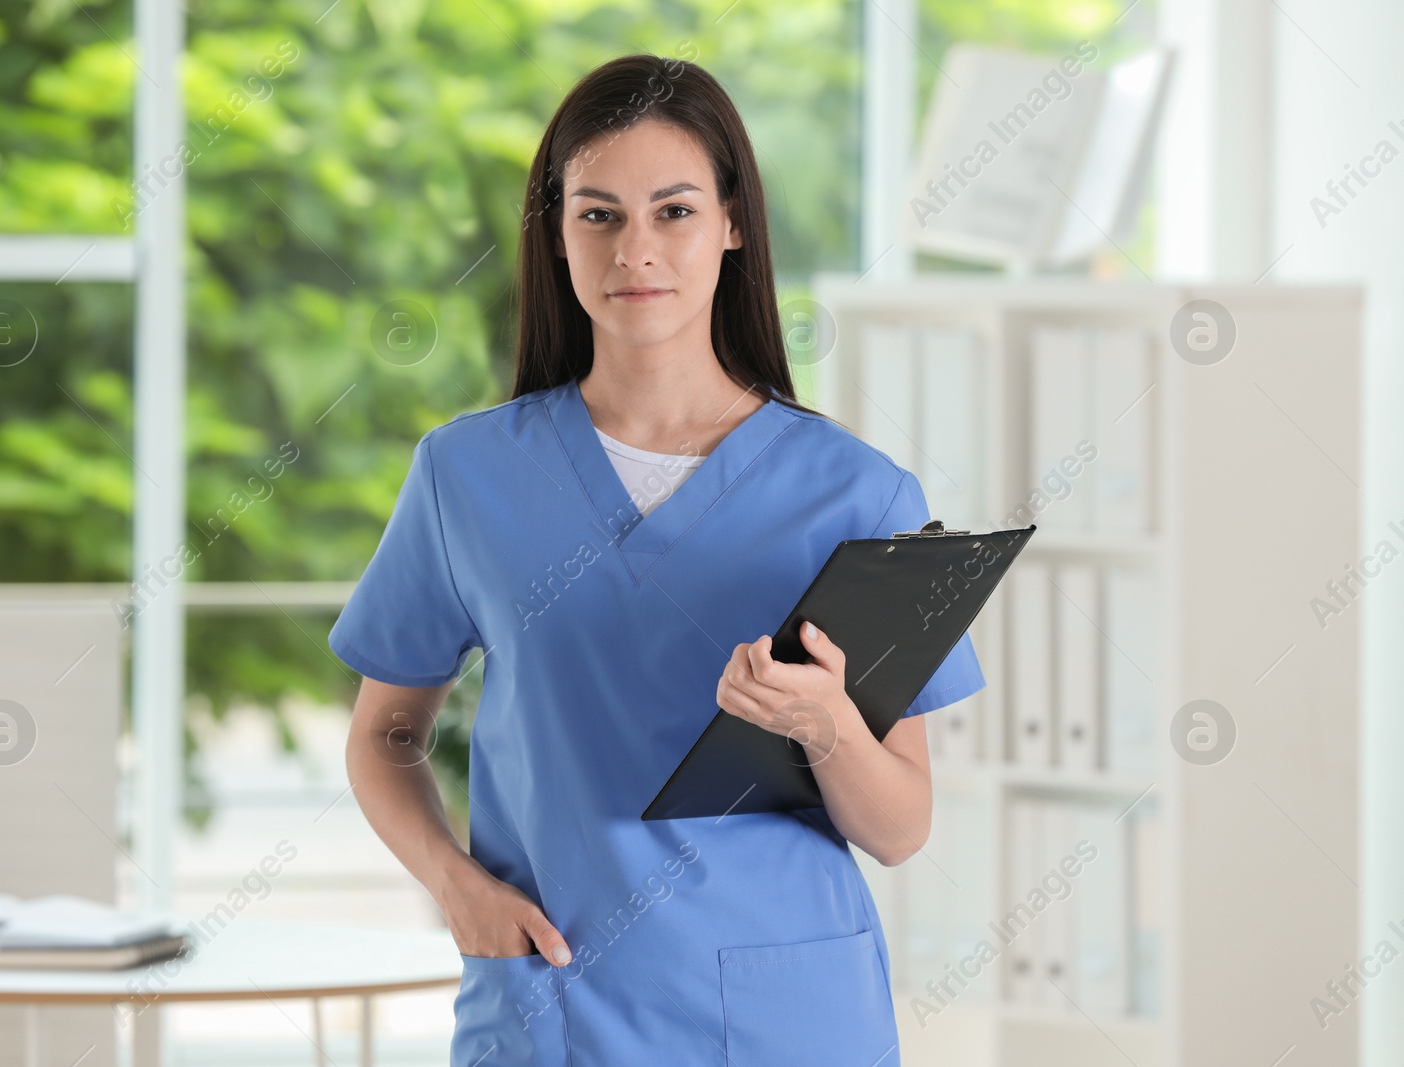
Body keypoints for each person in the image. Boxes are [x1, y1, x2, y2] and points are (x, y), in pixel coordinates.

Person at [328, 52, 985, 1067]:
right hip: (553, 999)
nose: (636, 248)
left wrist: (824, 724)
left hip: (784, 1011)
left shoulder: (855, 492)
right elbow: (385, 731)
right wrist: (456, 887)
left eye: (672, 210)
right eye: (598, 214)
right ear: (556, 234)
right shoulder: (467, 475)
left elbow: (899, 827)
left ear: (731, 224)